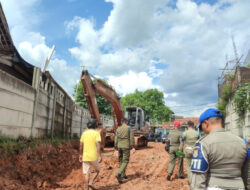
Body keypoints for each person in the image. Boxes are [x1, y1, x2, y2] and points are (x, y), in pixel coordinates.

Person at [190, 108, 248, 190]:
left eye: (201, 126)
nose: (202, 129)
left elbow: (198, 180)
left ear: (206, 123)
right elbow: (247, 173)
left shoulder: (203, 144)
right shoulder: (242, 142)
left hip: (214, 186)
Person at [79, 119, 102, 190]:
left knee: (86, 173)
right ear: (95, 125)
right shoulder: (96, 133)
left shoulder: (84, 133)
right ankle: (91, 182)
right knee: (98, 170)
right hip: (93, 157)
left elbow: (81, 145)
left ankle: (86, 189)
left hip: (85, 157)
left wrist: (80, 155)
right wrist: (99, 155)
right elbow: (98, 145)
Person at [114, 117, 135, 183]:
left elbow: (116, 138)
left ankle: (123, 175)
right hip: (126, 146)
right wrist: (133, 146)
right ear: (126, 122)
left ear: (122, 122)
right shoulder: (129, 128)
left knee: (121, 160)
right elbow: (131, 138)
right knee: (125, 161)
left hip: (119, 146)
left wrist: (116, 147)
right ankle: (119, 173)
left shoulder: (118, 129)